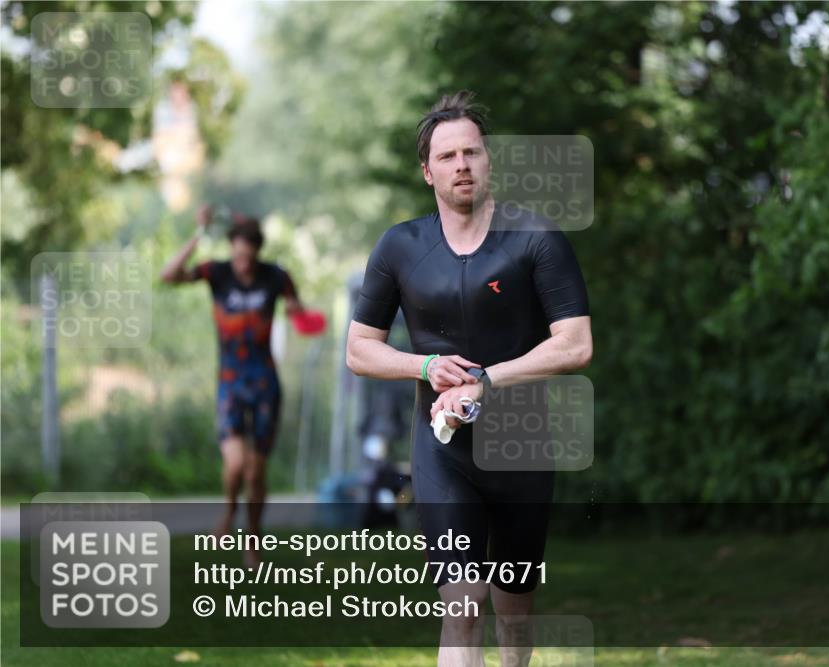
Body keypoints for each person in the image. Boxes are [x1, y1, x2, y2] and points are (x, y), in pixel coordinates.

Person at [346, 91, 592, 666]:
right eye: (448, 156)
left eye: (472, 153)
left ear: (488, 161)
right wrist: (425, 366)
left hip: (522, 446)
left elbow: (577, 344)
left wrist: (486, 379)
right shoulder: (400, 247)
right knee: (462, 605)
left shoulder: (536, 238)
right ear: (427, 171)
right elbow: (359, 349)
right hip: (444, 450)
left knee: (514, 612)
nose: (462, 165)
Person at [160, 205, 304, 565]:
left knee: (256, 471)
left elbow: (296, 307)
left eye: (248, 257)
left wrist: (298, 313)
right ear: (231, 249)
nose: (242, 264)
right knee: (236, 464)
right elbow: (168, 275)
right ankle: (228, 511)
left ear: (257, 252)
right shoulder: (217, 272)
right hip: (230, 382)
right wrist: (198, 234)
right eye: (238, 256)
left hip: (265, 383)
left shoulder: (276, 276)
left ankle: (253, 538)